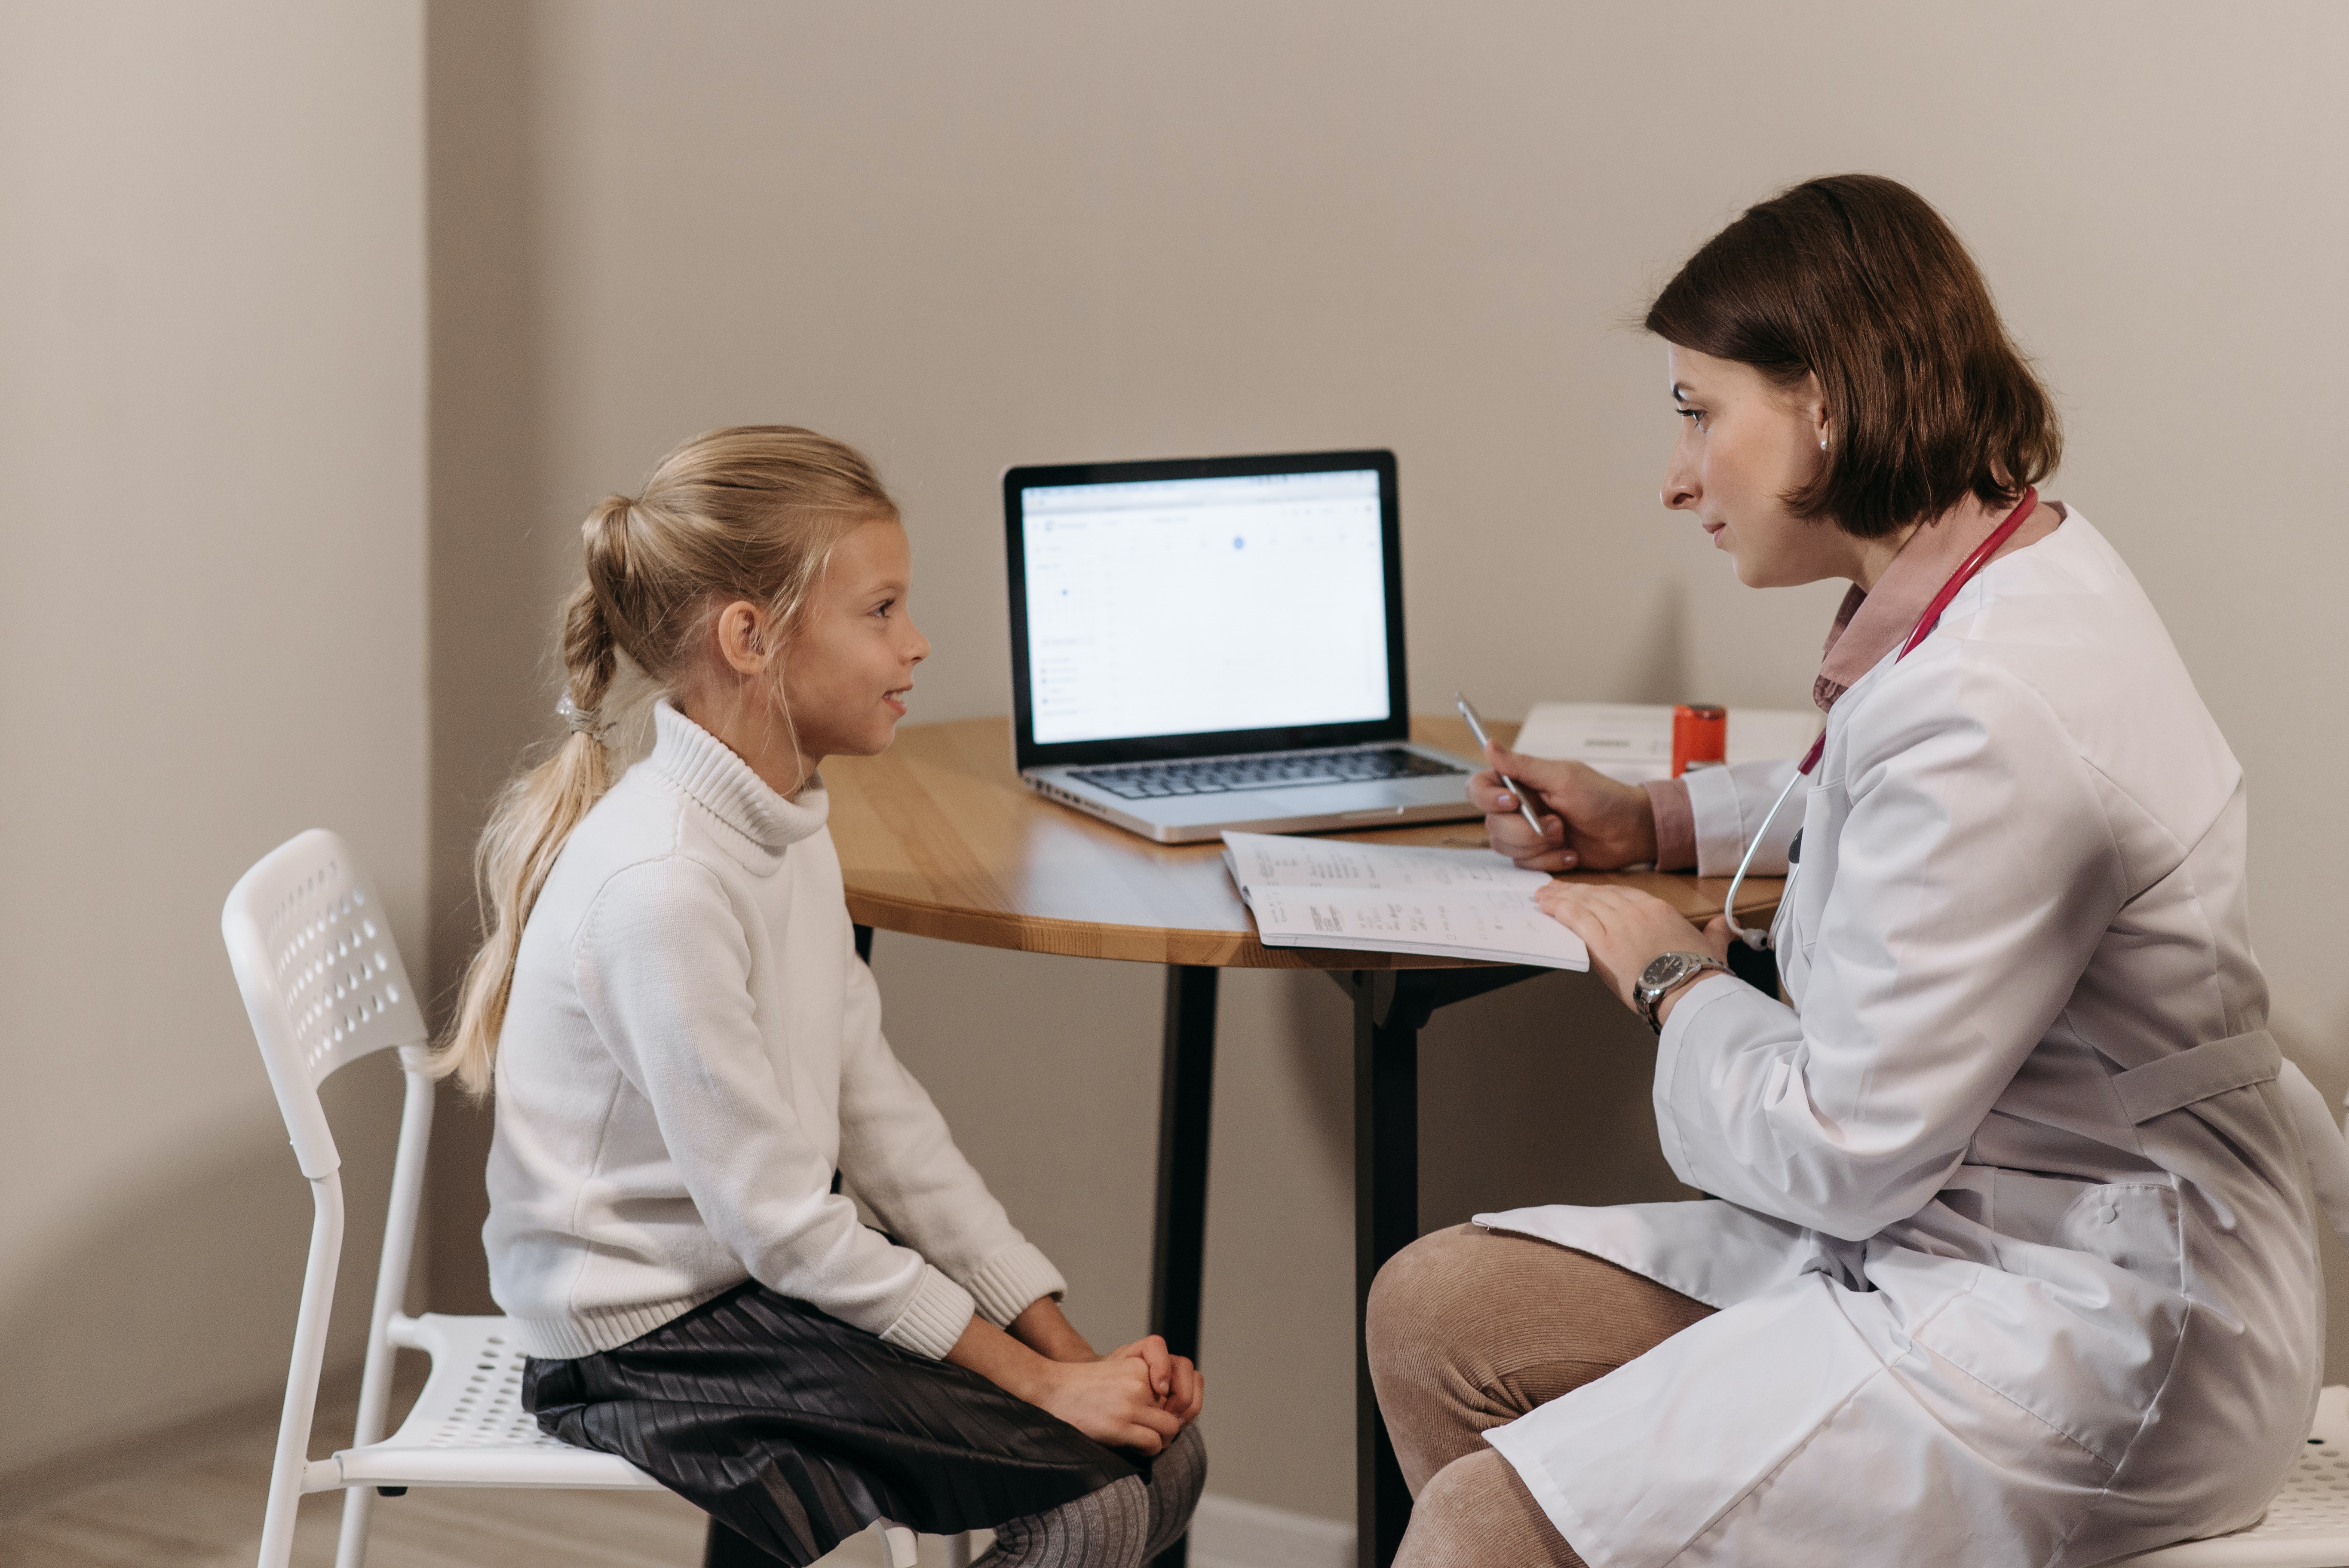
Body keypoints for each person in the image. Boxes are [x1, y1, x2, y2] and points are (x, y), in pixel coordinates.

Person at [1366, 175, 2349, 1567]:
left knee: (1483, 1526)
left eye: (1699, 413)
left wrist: (1669, 976)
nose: (1675, 475)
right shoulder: (1994, 567)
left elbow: (1841, 1150)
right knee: (1434, 1310)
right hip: (1978, 1230)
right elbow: (1885, 800)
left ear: (1825, 400)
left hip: (2096, 1330)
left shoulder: (1997, 699)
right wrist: (1651, 821)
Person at [435, 426, 1205, 1568]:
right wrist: (1043, 1383)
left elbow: (878, 1113)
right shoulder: (667, 885)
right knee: (1108, 1496)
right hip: (636, 1338)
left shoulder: (782, 816)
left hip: (741, 1285)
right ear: (752, 638)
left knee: (1156, 1457)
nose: (918, 642)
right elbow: (785, 1222)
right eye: (881, 611)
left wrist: (1068, 1348)